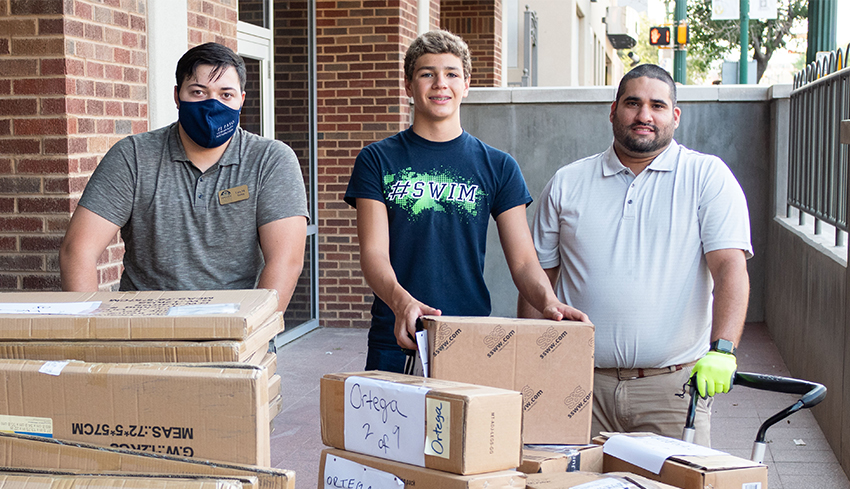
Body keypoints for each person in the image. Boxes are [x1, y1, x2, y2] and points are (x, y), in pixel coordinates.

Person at [523, 64, 751, 446]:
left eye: (657, 106)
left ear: (674, 117)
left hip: (672, 390)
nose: (644, 115)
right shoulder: (567, 182)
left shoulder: (706, 176)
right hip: (579, 386)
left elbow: (730, 268)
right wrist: (531, 363)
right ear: (613, 111)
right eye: (633, 103)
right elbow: (538, 280)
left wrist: (724, 349)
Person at [344, 29, 588, 372]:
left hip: (469, 336)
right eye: (427, 74)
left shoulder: (498, 166)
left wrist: (549, 301)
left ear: (466, 85)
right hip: (397, 334)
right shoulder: (377, 160)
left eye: (451, 74)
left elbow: (522, 262)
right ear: (408, 86)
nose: (440, 83)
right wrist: (402, 302)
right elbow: (373, 253)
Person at [59, 42, 308, 309]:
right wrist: (90, 332)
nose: (213, 104)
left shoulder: (270, 160)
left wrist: (252, 332)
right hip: (144, 334)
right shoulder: (133, 157)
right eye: (199, 92)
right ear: (178, 96)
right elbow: (77, 251)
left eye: (226, 95)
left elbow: (286, 261)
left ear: (241, 100)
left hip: (234, 329)